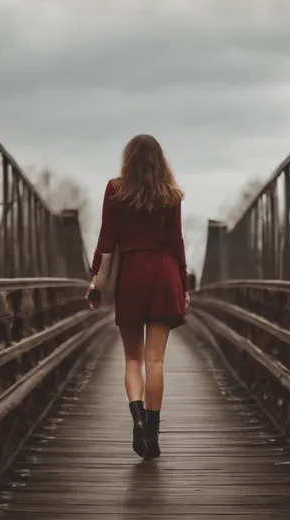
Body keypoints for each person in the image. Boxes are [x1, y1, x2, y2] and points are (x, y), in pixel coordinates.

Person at [86, 134, 190, 461]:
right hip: (163, 275)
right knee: (156, 360)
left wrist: (96, 281)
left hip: (131, 275)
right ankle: (154, 430)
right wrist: (184, 286)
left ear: (128, 159)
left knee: (133, 359)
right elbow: (177, 243)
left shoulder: (115, 190)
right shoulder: (170, 194)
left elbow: (107, 238)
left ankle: (138, 419)